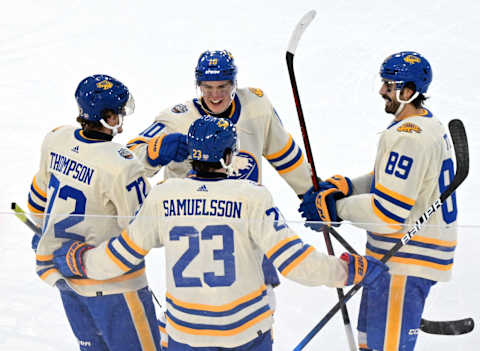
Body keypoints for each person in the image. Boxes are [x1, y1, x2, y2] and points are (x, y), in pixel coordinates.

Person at [52, 116, 388, 351]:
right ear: (229, 156)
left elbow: (121, 255)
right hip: (246, 334)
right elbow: (295, 262)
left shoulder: (164, 196)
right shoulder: (251, 196)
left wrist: (80, 261)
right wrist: (348, 270)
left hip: (186, 335)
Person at [127, 49, 314, 317]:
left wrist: (309, 191)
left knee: (260, 306)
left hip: (246, 223)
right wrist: (154, 152)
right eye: (208, 87)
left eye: (222, 87)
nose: (215, 95)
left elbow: (284, 154)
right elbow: (126, 160)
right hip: (196, 234)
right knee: (203, 312)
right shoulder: (176, 119)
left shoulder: (257, 107)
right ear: (198, 86)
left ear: (234, 84)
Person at [299, 51, 458, 351]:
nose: (382, 91)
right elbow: (395, 180)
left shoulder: (409, 137)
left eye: (389, 85)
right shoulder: (427, 125)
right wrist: (347, 187)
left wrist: (334, 209)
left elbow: (387, 215)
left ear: (407, 91)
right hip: (393, 264)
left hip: (405, 264)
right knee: (370, 346)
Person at [26, 74, 178, 350]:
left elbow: (39, 193)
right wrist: (176, 187)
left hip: (66, 280)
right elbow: (147, 230)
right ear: (108, 117)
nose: (121, 116)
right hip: (114, 288)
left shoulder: (56, 138)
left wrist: (41, 231)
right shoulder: (122, 164)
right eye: (118, 112)